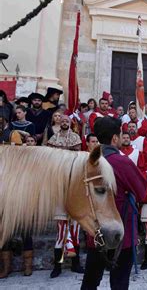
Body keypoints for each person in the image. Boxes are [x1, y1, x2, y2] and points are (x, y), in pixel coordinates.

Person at [81, 116, 147, 290]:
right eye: (121, 134)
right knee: (120, 282)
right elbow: (142, 191)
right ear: (115, 138)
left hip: (96, 230)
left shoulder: (87, 162)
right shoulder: (122, 162)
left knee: (90, 281)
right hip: (121, 231)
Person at [47, 115, 83, 278]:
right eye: (62, 121)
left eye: (67, 121)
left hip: (74, 189)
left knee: (75, 231)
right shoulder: (54, 137)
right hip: (60, 188)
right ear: (58, 123)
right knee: (61, 234)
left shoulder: (75, 137)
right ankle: (58, 266)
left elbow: (76, 156)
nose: (64, 123)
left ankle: (76, 264)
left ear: (71, 123)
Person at [0, 135, 37, 279]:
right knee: (5, 236)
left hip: (22, 205)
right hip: (6, 206)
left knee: (26, 234)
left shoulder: (26, 171)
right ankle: (6, 267)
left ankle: (27, 266)